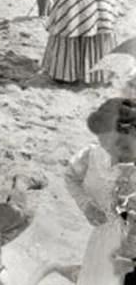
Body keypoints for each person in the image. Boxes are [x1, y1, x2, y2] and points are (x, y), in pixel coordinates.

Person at [62, 98, 136, 283]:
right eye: (103, 142)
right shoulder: (94, 156)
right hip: (102, 241)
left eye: (116, 144)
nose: (109, 150)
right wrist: (86, 205)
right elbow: (71, 177)